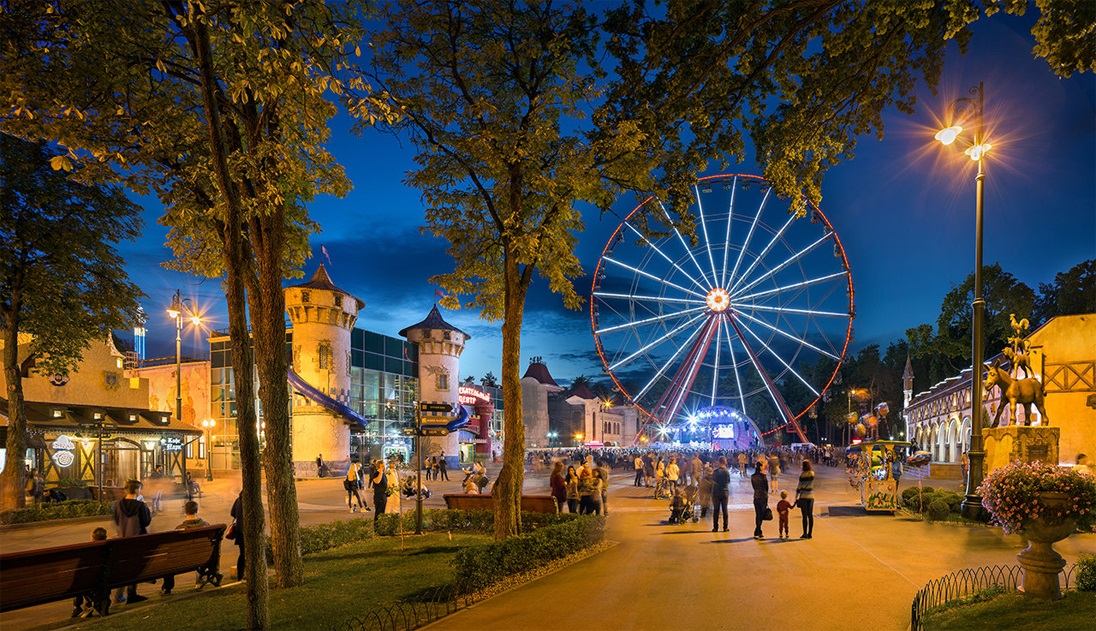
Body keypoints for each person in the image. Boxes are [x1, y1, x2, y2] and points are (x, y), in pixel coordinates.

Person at [113, 479, 152, 604]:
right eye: (140, 489)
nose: (141, 491)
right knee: (134, 567)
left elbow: (117, 521)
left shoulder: (118, 505)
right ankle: (132, 594)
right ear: (136, 490)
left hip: (123, 539)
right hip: (138, 540)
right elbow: (146, 522)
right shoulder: (140, 506)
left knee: (125, 567)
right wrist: (146, 507)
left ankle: (119, 596)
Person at [160, 500, 210, 595]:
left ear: (185, 512)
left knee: (167, 562)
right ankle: (200, 578)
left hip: (184, 561)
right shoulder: (206, 525)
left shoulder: (179, 529)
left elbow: (173, 550)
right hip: (203, 558)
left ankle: (167, 587)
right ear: (197, 511)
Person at [72, 527, 109, 618]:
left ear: (92, 539)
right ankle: (91, 605)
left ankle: (78, 607)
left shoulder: (89, 550)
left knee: (79, 580)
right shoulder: (108, 549)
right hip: (107, 578)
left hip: (92, 581)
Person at [711, 457, 731, 532]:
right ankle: (725, 527)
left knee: (716, 510)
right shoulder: (726, 472)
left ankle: (715, 527)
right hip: (724, 492)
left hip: (716, 492)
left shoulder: (716, 471)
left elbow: (713, 480)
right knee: (725, 510)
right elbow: (728, 481)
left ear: (719, 462)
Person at [796, 460, 815, 539]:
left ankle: (804, 533)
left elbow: (799, 486)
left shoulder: (802, 475)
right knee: (810, 515)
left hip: (803, 497)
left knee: (804, 516)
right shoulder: (812, 473)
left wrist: (796, 496)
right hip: (811, 496)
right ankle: (810, 533)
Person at [229, 490, 246, 581]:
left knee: (242, 554)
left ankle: (240, 575)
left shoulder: (238, 500)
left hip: (239, 531)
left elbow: (232, 513)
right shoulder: (251, 501)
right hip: (248, 532)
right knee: (248, 554)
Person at [750, 461, 768, 540]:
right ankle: (757, 530)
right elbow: (766, 488)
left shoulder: (753, 476)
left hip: (756, 496)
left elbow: (753, 486)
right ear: (760, 467)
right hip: (763, 497)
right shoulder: (763, 476)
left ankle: (758, 531)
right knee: (761, 514)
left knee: (758, 514)